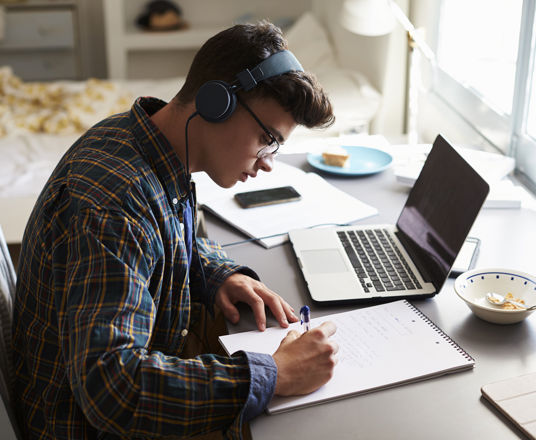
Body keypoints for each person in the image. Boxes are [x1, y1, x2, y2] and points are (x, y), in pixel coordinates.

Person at [12, 21, 338, 439]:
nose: (267, 161)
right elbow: (113, 389)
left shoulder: (140, 141)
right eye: (265, 137)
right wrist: (275, 373)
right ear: (216, 102)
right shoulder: (115, 205)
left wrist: (221, 273)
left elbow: (162, 236)